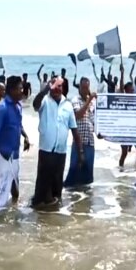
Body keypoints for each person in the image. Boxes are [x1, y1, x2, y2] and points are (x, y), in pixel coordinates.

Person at [31, 77, 81, 211]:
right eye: (54, 85)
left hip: (61, 151)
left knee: (57, 183)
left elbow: (74, 129)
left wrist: (80, 152)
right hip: (46, 150)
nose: (56, 88)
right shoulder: (45, 101)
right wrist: (44, 90)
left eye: (60, 86)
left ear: (64, 88)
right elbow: (35, 105)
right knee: (42, 183)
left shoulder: (68, 105)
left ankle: (53, 214)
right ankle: (38, 210)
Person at [0, 76, 31, 210]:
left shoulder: (18, 106)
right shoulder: (1, 108)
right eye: (20, 88)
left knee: (15, 189)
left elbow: (18, 125)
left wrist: (25, 137)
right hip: (3, 154)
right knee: (2, 192)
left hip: (15, 154)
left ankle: (13, 212)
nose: (22, 91)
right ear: (12, 90)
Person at [64, 77, 97, 187]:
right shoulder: (75, 100)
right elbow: (78, 115)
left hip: (90, 142)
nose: (85, 90)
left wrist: (101, 131)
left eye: (87, 88)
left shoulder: (92, 103)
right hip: (79, 144)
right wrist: (89, 100)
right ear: (79, 88)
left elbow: (94, 122)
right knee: (74, 174)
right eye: (83, 88)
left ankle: (84, 200)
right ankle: (71, 198)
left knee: (88, 176)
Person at [118, 64, 136, 167]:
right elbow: (121, 86)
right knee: (124, 152)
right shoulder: (124, 99)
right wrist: (122, 73)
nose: (133, 92)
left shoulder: (135, 101)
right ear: (126, 91)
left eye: (133, 90)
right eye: (131, 90)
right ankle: (120, 168)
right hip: (124, 130)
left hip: (133, 130)